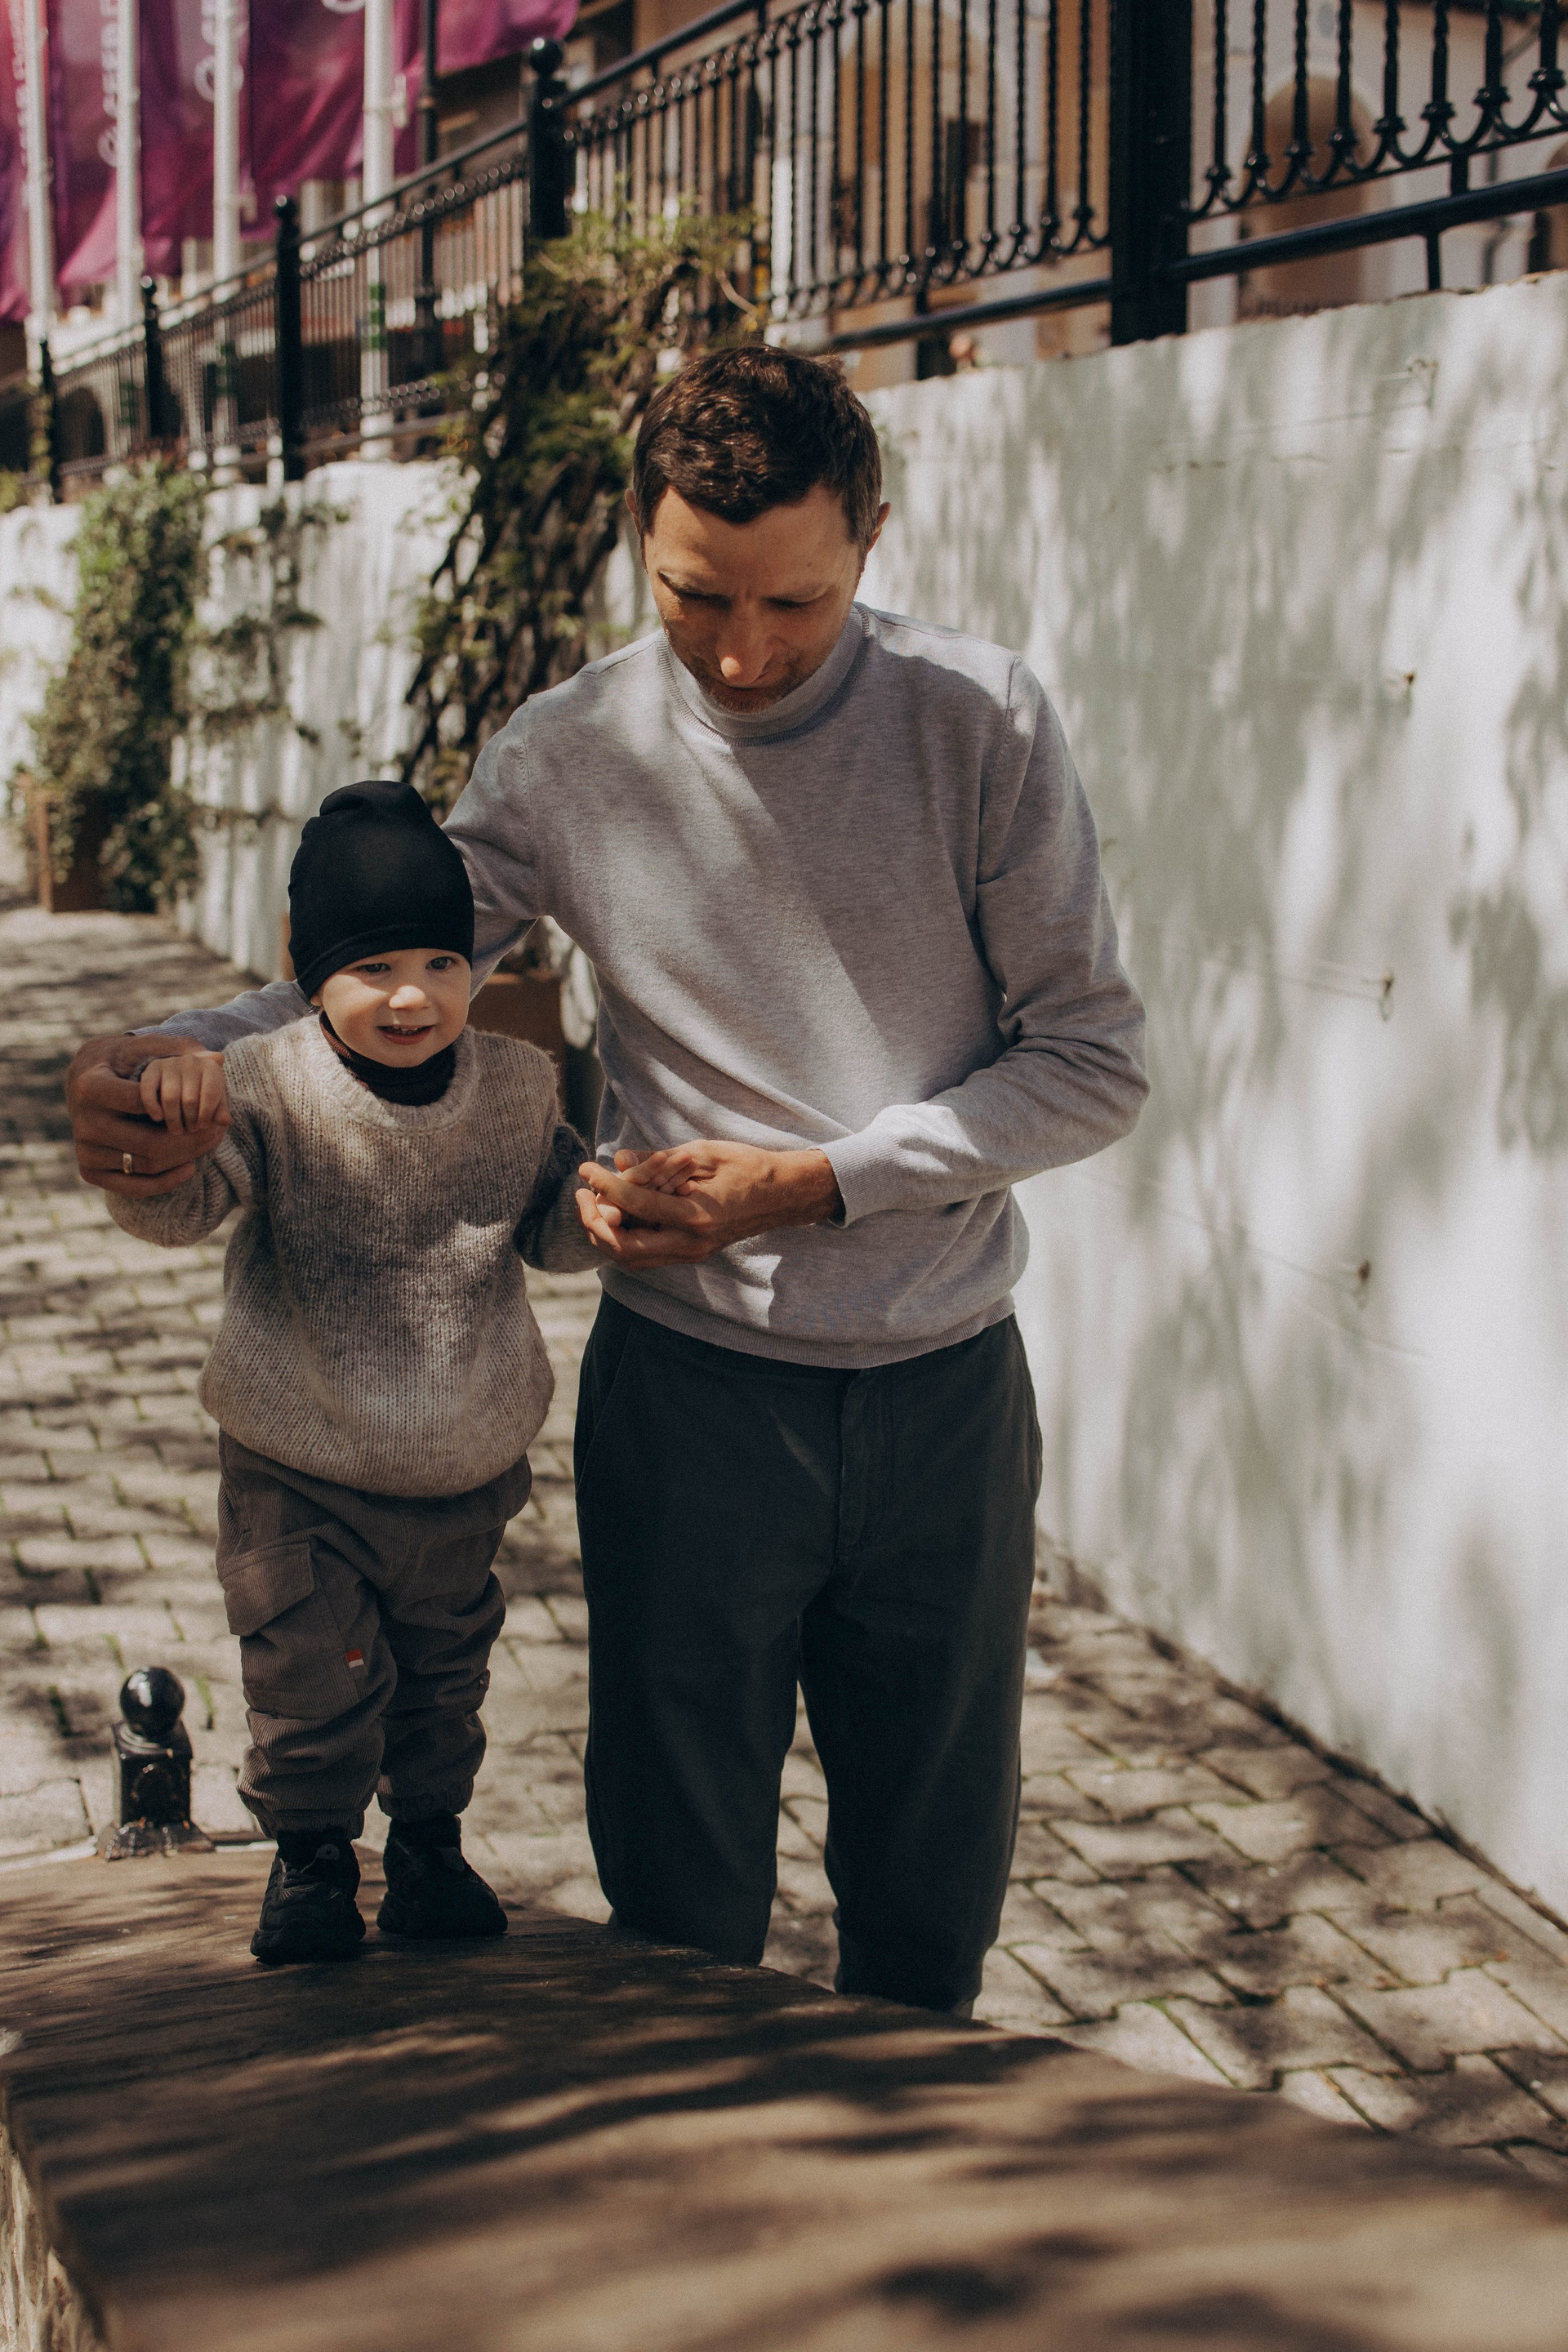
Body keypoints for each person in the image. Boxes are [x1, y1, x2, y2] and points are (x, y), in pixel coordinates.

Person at [68, 346, 1147, 2016]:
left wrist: (821, 1181)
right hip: (692, 1402)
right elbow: (378, 972)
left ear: (871, 536)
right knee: (676, 1915)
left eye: (793, 602)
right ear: (639, 538)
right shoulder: (570, 752)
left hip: (946, 1400)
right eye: (693, 597)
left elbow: (1092, 1059)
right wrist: (160, 1059)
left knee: (933, 1908)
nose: (742, 652)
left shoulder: (980, 720)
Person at [103, 780, 594, 1965]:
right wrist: (161, 1147)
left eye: (441, 961)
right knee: (309, 1676)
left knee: (442, 1681)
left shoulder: (519, 1085)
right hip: (300, 1464)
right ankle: (314, 1859)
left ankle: (427, 1849)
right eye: (372, 967)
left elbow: (553, 1223)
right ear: (309, 974)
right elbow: (180, 1214)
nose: (412, 994)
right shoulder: (263, 1083)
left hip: (462, 1469)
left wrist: (610, 1208)